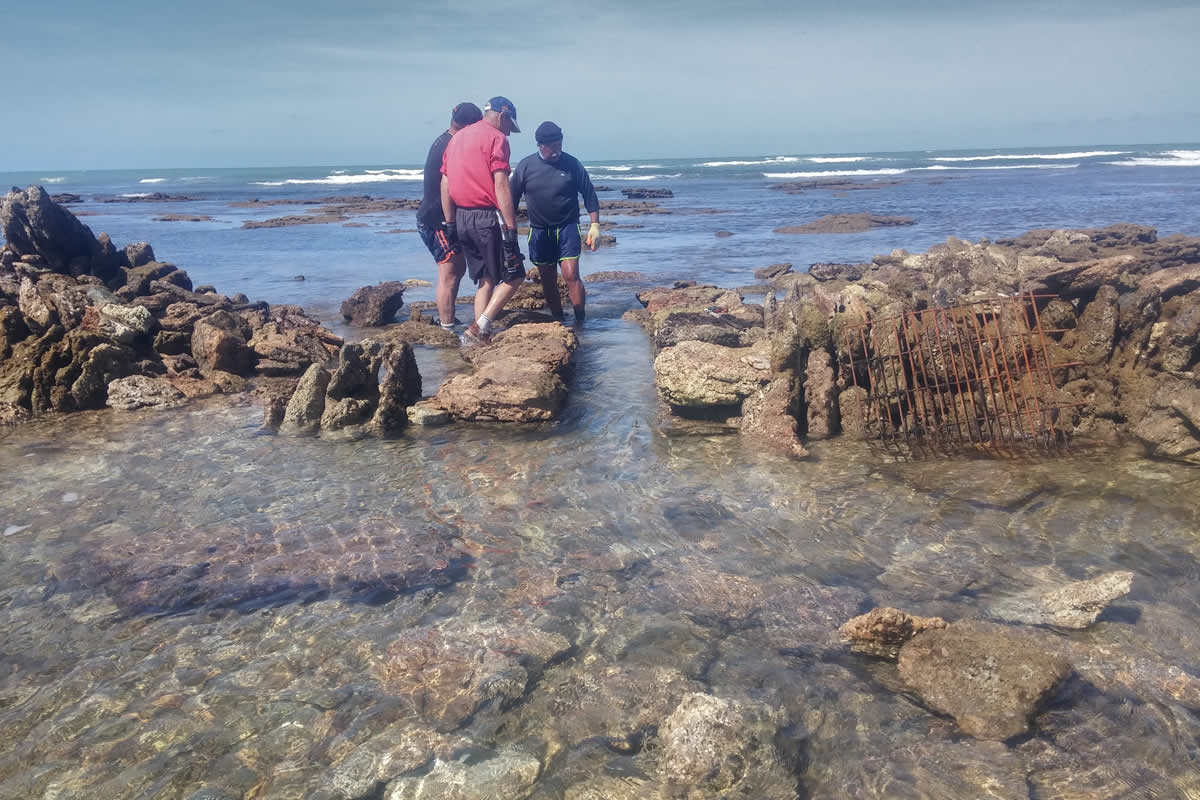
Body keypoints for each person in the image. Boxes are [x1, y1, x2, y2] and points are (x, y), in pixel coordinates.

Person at [439, 96, 526, 345]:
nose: (509, 133)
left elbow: (445, 183)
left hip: (462, 217)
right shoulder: (496, 138)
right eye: (510, 126)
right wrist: (511, 227)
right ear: (503, 116)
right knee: (515, 273)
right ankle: (479, 327)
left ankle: (481, 338)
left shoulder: (457, 138)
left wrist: (450, 222)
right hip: (487, 217)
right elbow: (500, 183)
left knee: (486, 278)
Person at [510, 121, 600, 323]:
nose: (557, 151)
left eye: (560, 145)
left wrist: (595, 225)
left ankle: (580, 320)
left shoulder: (572, 164)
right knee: (548, 279)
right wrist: (508, 230)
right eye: (553, 147)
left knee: (571, 274)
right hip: (540, 230)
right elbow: (511, 200)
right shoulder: (526, 166)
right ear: (540, 145)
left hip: (567, 227)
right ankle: (558, 319)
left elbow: (589, 194)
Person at [417, 102, 483, 331]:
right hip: (436, 220)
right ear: (469, 125)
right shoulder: (452, 144)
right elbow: (449, 184)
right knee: (450, 272)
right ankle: (446, 326)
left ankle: (450, 320)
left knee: (457, 270)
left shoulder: (447, 139)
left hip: (440, 217)